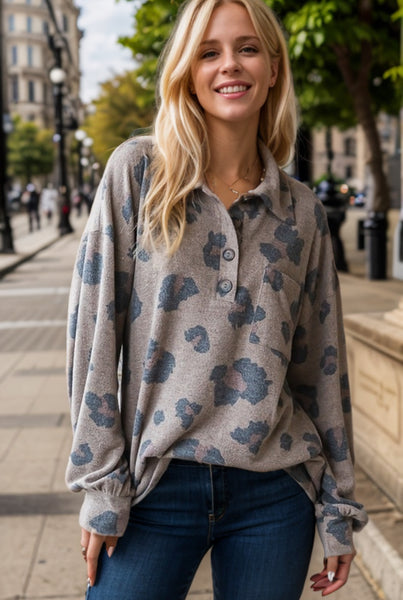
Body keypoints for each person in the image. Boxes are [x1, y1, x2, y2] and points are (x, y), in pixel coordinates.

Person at [66, 1, 368, 598]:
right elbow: (93, 336)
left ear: (274, 68)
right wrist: (101, 485)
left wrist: (339, 508)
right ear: (187, 71)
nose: (230, 65)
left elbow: (322, 368)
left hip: (275, 494)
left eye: (247, 48)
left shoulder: (302, 210)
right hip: (155, 486)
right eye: (209, 51)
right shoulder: (139, 175)